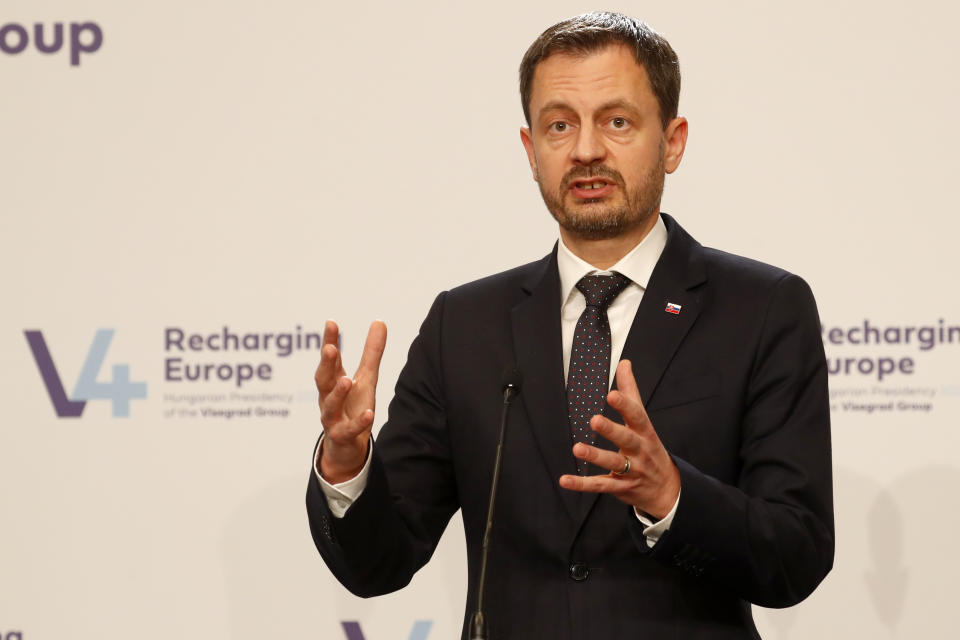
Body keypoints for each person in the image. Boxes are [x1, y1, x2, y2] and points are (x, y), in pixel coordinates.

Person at [306, 11, 834, 639]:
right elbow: (379, 563)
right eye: (560, 125)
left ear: (673, 141)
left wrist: (672, 497)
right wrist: (347, 467)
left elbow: (795, 554)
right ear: (531, 151)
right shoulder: (466, 325)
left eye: (617, 121)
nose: (586, 150)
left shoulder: (763, 308)